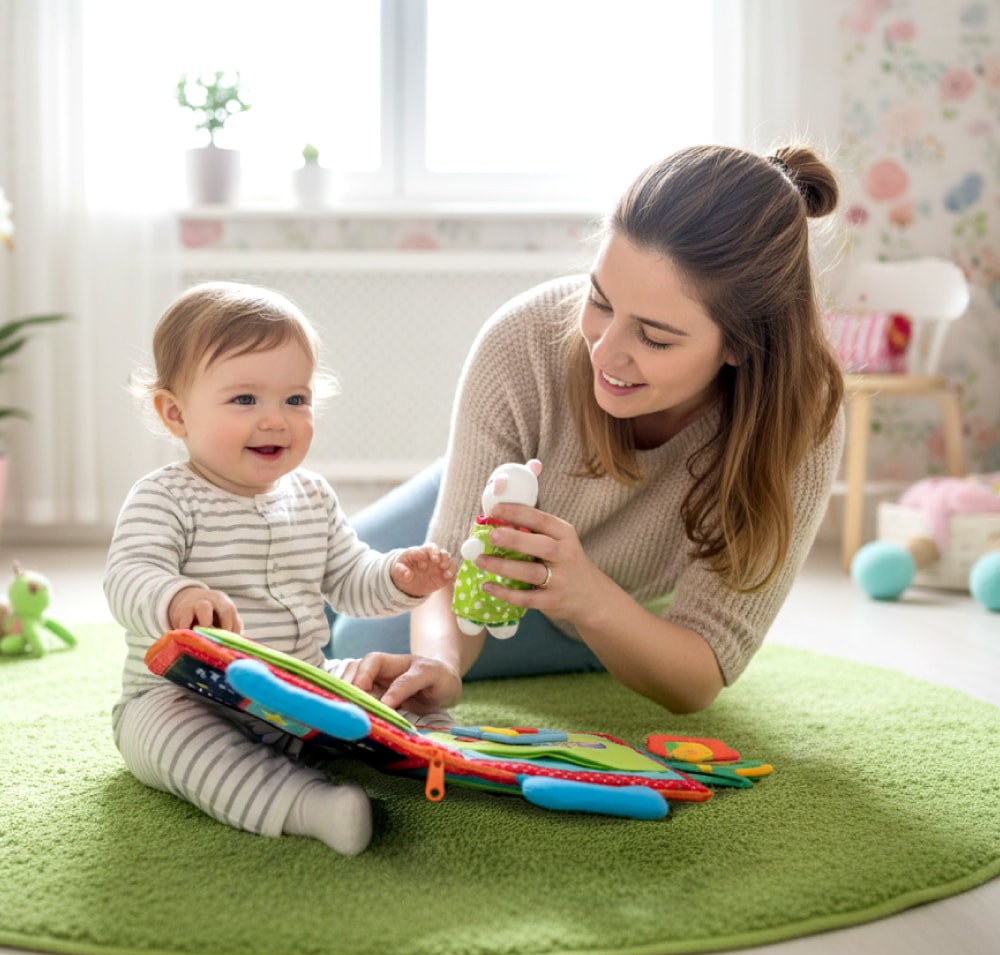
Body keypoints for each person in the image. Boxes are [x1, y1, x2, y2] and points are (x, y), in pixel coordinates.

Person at [330, 142, 845, 718]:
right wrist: (441, 666)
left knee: (358, 642)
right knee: (313, 574)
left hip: (608, 595)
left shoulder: (800, 420)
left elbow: (697, 679)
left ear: (742, 344)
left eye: (655, 337)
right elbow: (452, 563)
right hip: (484, 496)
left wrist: (588, 599)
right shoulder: (523, 339)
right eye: (599, 302)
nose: (606, 351)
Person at [104, 282, 456, 856]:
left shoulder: (312, 496)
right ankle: (305, 806)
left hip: (299, 681)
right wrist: (175, 597)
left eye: (296, 400)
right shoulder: (165, 497)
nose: (276, 421)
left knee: (391, 686)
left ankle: (436, 751)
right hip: (188, 695)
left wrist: (397, 578)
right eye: (245, 400)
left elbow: (349, 579)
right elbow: (128, 575)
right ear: (175, 413)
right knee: (168, 737)